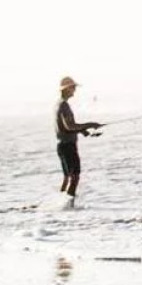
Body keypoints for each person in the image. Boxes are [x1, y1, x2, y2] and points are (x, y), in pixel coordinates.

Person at [55, 76, 101, 204]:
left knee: (67, 177)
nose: (74, 90)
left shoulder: (59, 104)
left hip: (62, 145)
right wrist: (90, 124)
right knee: (74, 177)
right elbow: (69, 126)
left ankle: (60, 204)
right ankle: (68, 206)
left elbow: (68, 127)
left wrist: (83, 131)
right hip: (68, 146)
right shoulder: (63, 105)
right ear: (66, 89)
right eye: (73, 87)